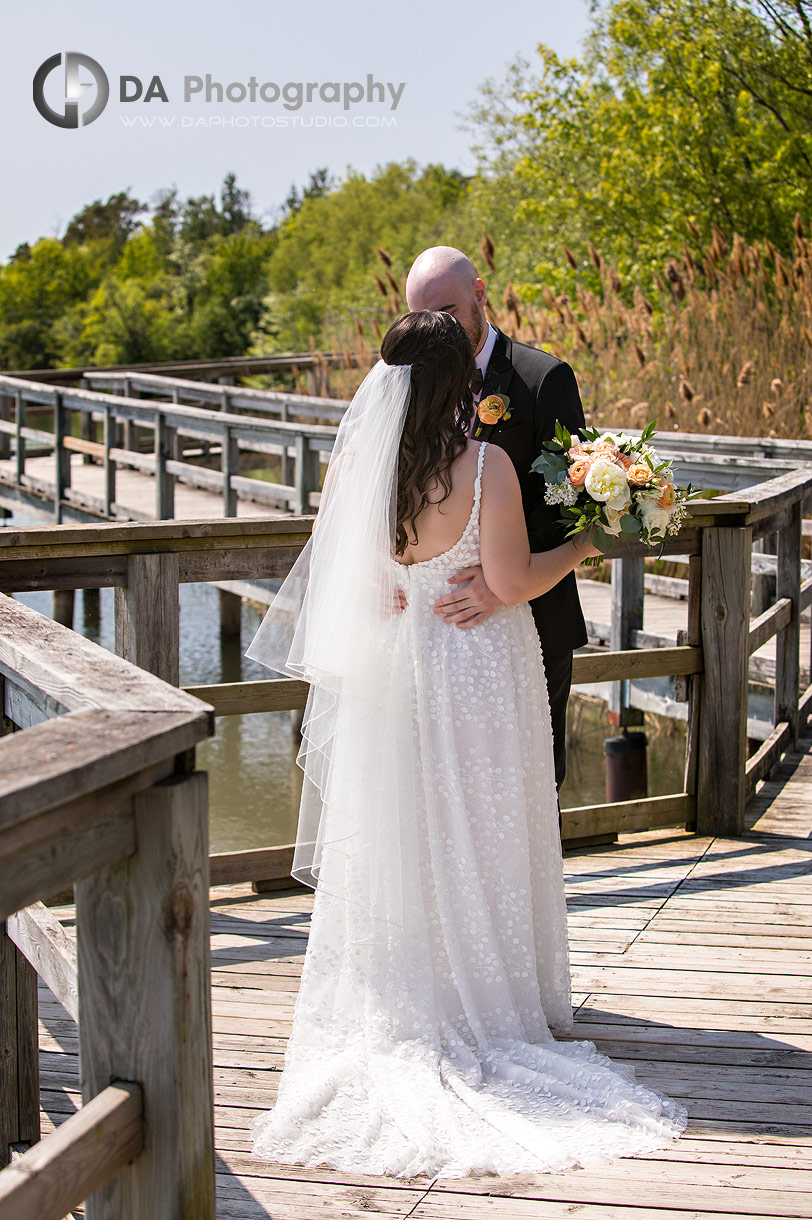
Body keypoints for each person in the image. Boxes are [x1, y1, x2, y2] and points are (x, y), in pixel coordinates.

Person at [245, 310, 687, 1178]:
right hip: (480, 667)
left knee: (408, 832)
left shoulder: (363, 469)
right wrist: (588, 542)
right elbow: (511, 581)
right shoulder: (482, 462)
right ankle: (487, 1005)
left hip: (401, 667)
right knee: (482, 831)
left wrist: (390, 585)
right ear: (463, 382)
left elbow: (352, 566)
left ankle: (410, 999)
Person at [405, 246, 586, 803]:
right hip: (433, 634)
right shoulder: (405, 383)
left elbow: (566, 496)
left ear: (481, 293)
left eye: (450, 310)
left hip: (532, 615)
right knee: (436, 794)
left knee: (533, 784)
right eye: (425, 316)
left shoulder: (542, 378)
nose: (441, 329)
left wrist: (503, 580)